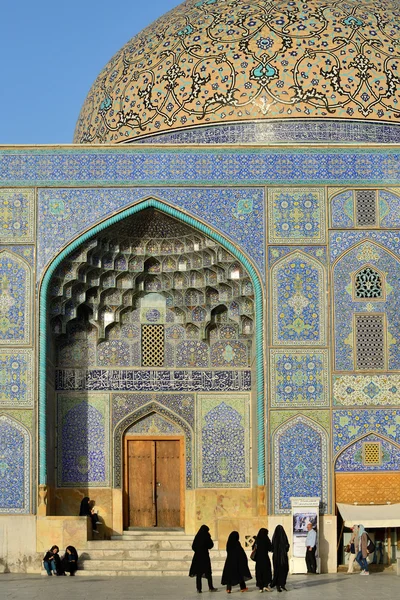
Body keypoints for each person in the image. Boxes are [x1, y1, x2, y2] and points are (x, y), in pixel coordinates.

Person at [189, 524, 218, 593]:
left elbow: (193, 547)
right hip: (205, 556)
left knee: (198, 574)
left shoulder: (197, 536)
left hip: (197, 557)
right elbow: (211, 545)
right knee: (208, 572)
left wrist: (198, 551)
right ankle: (211, 587)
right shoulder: (206, 536)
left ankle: (199, 589)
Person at [270, 525, 290, 593]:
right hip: (283, 557)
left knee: (277, 570)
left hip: (276, 557)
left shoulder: (274, 538)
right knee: (284, 570)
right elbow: (287, 547)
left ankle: (278, 585)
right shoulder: (284, 538)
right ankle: (282, 584)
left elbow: (272, 548)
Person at [252, 528, 273, 592]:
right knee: (266, 572)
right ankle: (265, 585)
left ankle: (260, 587)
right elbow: (270, 548)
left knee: (259, 572)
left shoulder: (257, 539)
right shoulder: (266, 539)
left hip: (258, 559)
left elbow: (253, 548)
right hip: (265, 558)